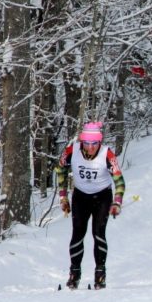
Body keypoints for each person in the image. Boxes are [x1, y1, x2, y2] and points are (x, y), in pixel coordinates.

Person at [56, 122, 125, 290]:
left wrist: (117, 202)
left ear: (99, 142)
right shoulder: (72, 150)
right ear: (82, 142)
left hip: (102, 196)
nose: (91, 147)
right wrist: (63, 197)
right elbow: (60, 170)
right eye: (87, 143)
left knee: (98, 233)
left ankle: (100, 273)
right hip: (81, 196)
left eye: (94, 143)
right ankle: (74, 273)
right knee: (78, 233)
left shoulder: (107, 154)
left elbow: (120, 181)